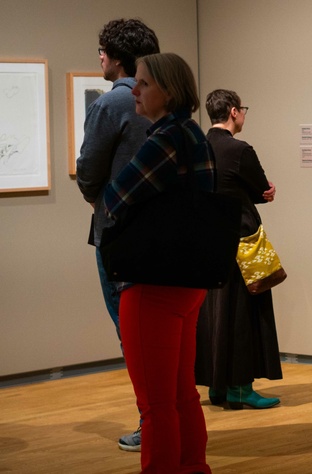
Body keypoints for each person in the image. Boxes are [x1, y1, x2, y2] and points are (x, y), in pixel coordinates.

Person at [103, 52, 213, 474]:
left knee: (155, 405)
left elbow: (114, 199)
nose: (135, 89)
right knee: (183, 394)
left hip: (153, 285)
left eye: (144, 83)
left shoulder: (164, 139)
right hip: (188, 281)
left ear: (168, 91)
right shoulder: (194, 135)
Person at [75, 17, 159, 453]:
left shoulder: (111, 105)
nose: (100, 56)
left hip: (118, 231)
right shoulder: (162, 102)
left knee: (132, 332)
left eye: (104, 49)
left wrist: (95, 199)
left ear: (118, 56)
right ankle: (164, 416)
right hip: (161, 233)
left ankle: (151, 419)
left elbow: (88, 170)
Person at [194, 89, 282, 410]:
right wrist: (266, 193)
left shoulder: (197, 146)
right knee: (243, 310)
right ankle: (242, 388)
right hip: (241, 239)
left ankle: (217, 387)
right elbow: (261, 188)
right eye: (243, 109)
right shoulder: (240, 150)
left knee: (212, 312)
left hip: (206, 239)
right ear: (233, 112)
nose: (243, 114)